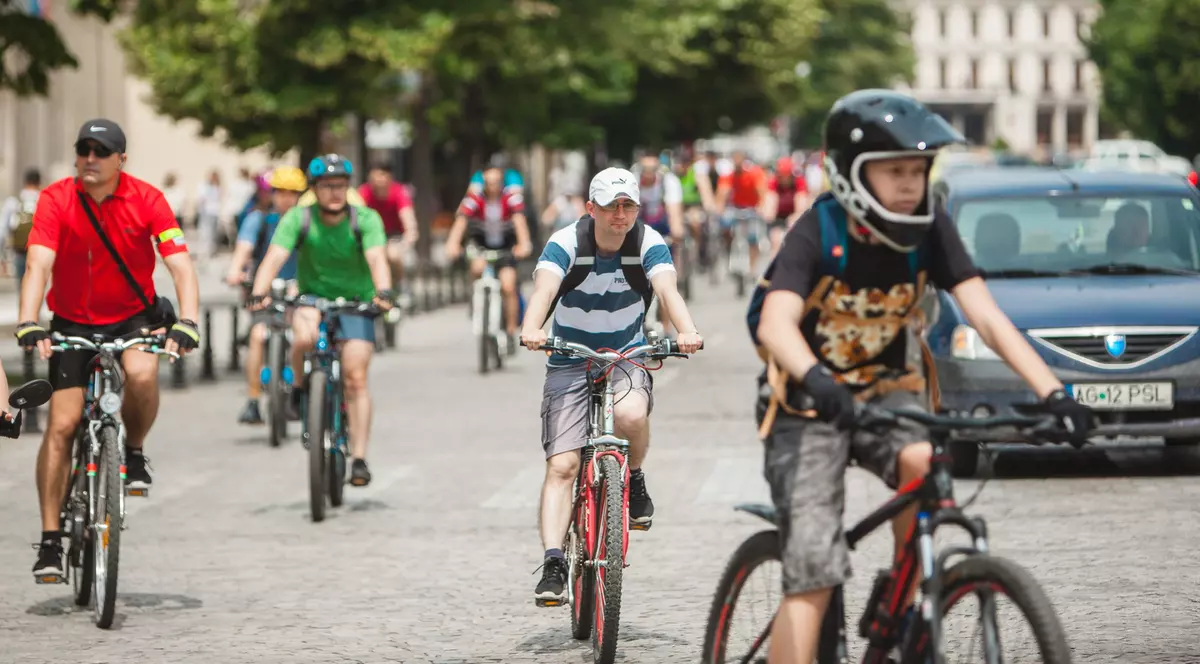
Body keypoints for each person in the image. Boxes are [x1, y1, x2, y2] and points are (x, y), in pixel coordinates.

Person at [754, 90, 1095, 662]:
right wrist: (818, 379)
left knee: (924, 465)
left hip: (887, 394)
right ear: (852, 173)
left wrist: (1055, 393)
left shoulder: (930, 228)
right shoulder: (820, 229)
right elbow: (775, 323)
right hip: (808, 403)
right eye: (895, 172)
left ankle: (900, 607)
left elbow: (987, 317)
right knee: (814, 567)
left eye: (918, 170)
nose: (911, 184)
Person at [18, 118, 201, 582]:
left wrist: (188, 321)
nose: (90, 159)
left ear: (122, 159)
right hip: (72, 321)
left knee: (141, 375)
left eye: (101, 151)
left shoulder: (148, 199)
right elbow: (38, 263)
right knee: (62, 425)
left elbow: (180, 264)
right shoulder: (56, 199)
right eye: (84, 149)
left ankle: (133, 452)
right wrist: (27, 320)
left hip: (132, 317)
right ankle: (51, 540)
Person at [519, 167, 703, 604]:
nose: (620, 215)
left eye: (628, 206)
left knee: (631, 414)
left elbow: (667, 290)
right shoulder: (566, 242)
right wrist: (532, 328)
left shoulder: (647, 242)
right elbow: (544, 290)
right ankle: (553, 562)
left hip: (626, 354)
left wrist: (687, 331)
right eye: (610, 206)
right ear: (591, 208)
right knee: (563, 466)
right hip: (570, 356)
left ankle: (633, 477)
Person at [249, 154, 394, 487]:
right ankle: (299, 390)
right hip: (312, 298)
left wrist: (384, 292)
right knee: (303, 337)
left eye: (341, 186)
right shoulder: (299, 219)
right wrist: (259, 292)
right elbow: (275, 256)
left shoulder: (365, 219)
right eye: (327, 186)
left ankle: (359, 458)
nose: (335, 192)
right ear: (314, 190)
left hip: (356, 302)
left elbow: (376, 258)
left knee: (356, 376)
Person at [226, 166, 307, 424]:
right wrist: (235, 271)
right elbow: (244, 248)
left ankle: (301, 390)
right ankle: (253, 401)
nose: (286, 198)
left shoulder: (306, 222)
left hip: (300, 291)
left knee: (303, 336)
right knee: (258, 336)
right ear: (272, 194)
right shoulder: (259, 220)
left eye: (292, 193)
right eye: (280, 192)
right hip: (266, 291)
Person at [444, 167, 533, 349]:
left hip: (505, 248)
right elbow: (461, 221)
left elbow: (519, 222)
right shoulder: (474, 199)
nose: (492, 186)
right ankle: (476, 301)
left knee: (508, 285)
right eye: (488, 183)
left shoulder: (511, 199)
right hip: (481, 246)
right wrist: (452, 243)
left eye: (496, 182)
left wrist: (524, 244)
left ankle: (510, 330)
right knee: (477, 268)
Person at [359, 162, 418, 293]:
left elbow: (408, 218)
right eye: (375, 176)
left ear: (390, 177)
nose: (379, 180)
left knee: (393, 254)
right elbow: (356, 213)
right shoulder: (363, 192)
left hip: (394, 236)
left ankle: (401, 284)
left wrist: (408, 238)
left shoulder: (399, 192)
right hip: (371, 235)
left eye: (382, 175)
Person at [715, 150, 770, 273]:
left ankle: (752, 268)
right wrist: (719, 209)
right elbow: (722, 193)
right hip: (735, 208)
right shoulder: (729, 175)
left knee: (753, 237)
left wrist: (762, 207)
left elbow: (762, 191)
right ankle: (727, 247)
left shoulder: (754, 173)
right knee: (725, 224)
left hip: (751, 208)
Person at [1, 168, 42, 292]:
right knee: (36, 285)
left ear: (25, 182)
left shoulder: (13, 202)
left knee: (22, 285)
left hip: (19, 251)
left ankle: (24, 302)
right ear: (39, 182)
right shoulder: (43, 200)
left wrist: (2, 256)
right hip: (38, 252)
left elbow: (3, 228)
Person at [763, 156, 810, 261]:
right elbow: (770, 199)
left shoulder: (799, 182)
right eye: (782, 175)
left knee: (796, 240)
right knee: (776, 241)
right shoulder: (773, 182)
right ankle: (775, 265)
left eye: (787, 175)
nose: (784, 179)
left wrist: (795, 217)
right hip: (779, 216)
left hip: (793, 215)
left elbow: (801, 204)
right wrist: (768, 213)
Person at [195, 169, 223, 259]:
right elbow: (201, 199)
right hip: (206, 212)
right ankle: (203, 251)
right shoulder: (204, 186)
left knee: (212, 233)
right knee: (205, 232)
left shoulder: (217, 187)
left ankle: (211, 250)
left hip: (214, 212)